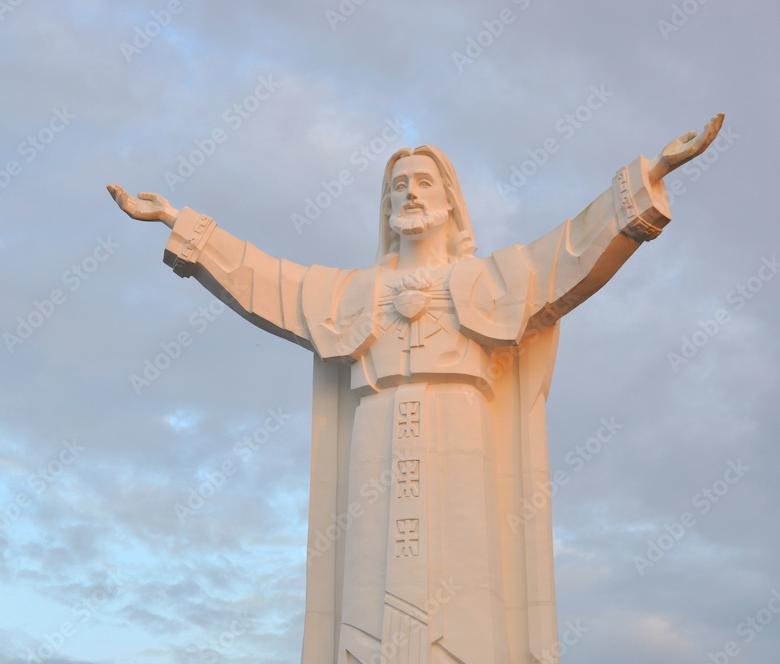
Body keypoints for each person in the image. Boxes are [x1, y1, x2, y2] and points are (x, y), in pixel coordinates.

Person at [110, 114, 723, 664]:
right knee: (367, 600)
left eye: (424, 182)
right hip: (375, 435)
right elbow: (267, 281)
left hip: (463, 436)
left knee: (466, 599)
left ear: (452, 203)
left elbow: (573, 250)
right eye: (397, 186)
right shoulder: (351, 293)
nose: (409, 193)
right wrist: (178, 222)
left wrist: (656, 171)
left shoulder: (494, 278)